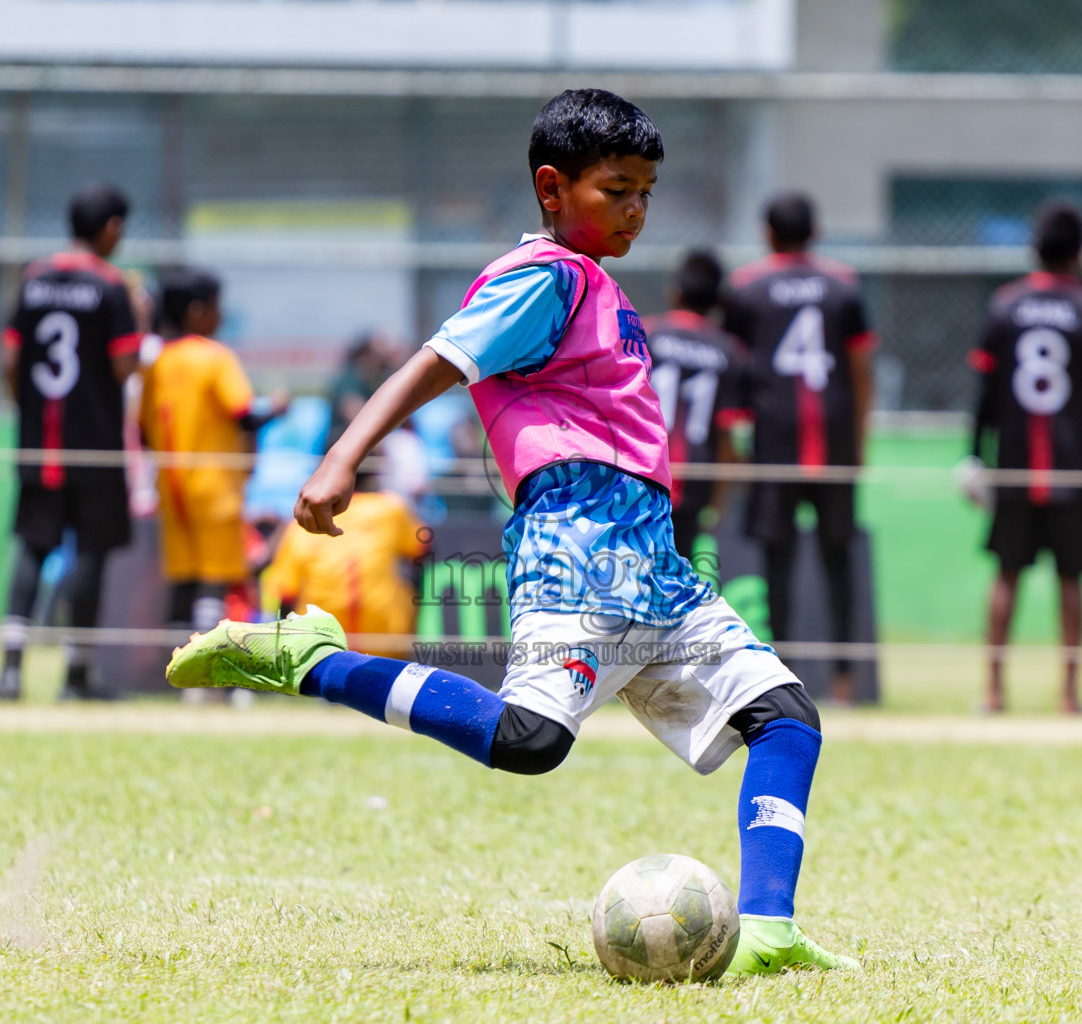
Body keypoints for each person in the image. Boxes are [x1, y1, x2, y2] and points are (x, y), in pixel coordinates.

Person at [167, 89, 857, 977]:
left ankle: (766, 930)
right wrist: (342, 456)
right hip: (577, 551)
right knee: (532, 743)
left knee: (787, 718)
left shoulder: (595, 283)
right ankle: (309, 659)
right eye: (618, 190)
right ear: (551, 187)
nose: (637, 210)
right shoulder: (542, 278)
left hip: (655, 563)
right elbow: (437, 364)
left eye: (648, 191)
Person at [968, 203, 1082, 715]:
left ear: (1035, 248)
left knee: (1007, 573)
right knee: (1072, 579)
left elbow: (985, 393)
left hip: (1014, 463)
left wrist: (974, 456)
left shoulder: (1006, 306)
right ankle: (1069, 694)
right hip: (1074, 465)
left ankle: (994, 691)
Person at [722, 192, 875, 706]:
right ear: (816, 231)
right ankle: (845, 680)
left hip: (774, 443)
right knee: (839, 560)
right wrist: (860, 440)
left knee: (778, 561)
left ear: (767, 233)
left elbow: (732, 367)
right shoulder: (844, 286)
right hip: (833, 441)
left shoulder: (746, 287)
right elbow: (860, 370)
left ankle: (782, 680)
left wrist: (735, 445)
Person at [0, 183, 142, 702]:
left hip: (39, 442)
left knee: (34, 545)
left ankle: (10, 670)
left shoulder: (33, 278)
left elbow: (10, 361)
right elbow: (126, 364)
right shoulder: (111, 285)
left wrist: (28, 413)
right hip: (95, 443)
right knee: (92, 549)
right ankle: (75, 675)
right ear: (112, 228)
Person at [138, 269, 287, 648]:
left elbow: (141, 429)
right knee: (213, 578)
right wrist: (278, 408)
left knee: (182, 577)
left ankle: (173, 668)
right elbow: (244, 414)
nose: (221, 316)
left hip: (171, 488)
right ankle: (201, 675)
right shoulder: (214, 357)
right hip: (214, 485)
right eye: (217, 308)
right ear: (197, 311)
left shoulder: (155, 363)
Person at [265, 472, 429, 660]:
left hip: (321, 645)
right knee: (408, 580)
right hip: (386, 637)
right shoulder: (390, 509)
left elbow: (285, 591)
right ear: (372, 472)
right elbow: (422, 547)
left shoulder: (304, 520)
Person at [643, 250, 742, 559]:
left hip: (643, 469)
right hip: (697, 476)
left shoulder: (644, 332)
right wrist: (720, 499)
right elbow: (729, 433)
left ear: (675, 291)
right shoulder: (729, 350)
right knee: (678, 569)